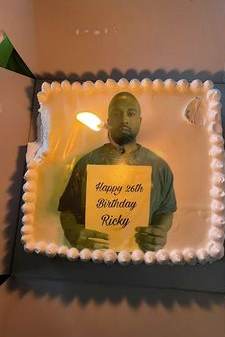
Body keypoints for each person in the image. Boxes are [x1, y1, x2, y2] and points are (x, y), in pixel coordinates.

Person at [58, 91, 176, 252]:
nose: (124, 119)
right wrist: (72, 232)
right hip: (93, 259)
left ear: (139, 121)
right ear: (109, 121)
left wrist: (160, 231)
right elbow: (67, 210)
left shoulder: (160, 167)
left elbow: (166, 210)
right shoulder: (87, 163)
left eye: (130, 113)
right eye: (117, 114)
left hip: (141, 260)